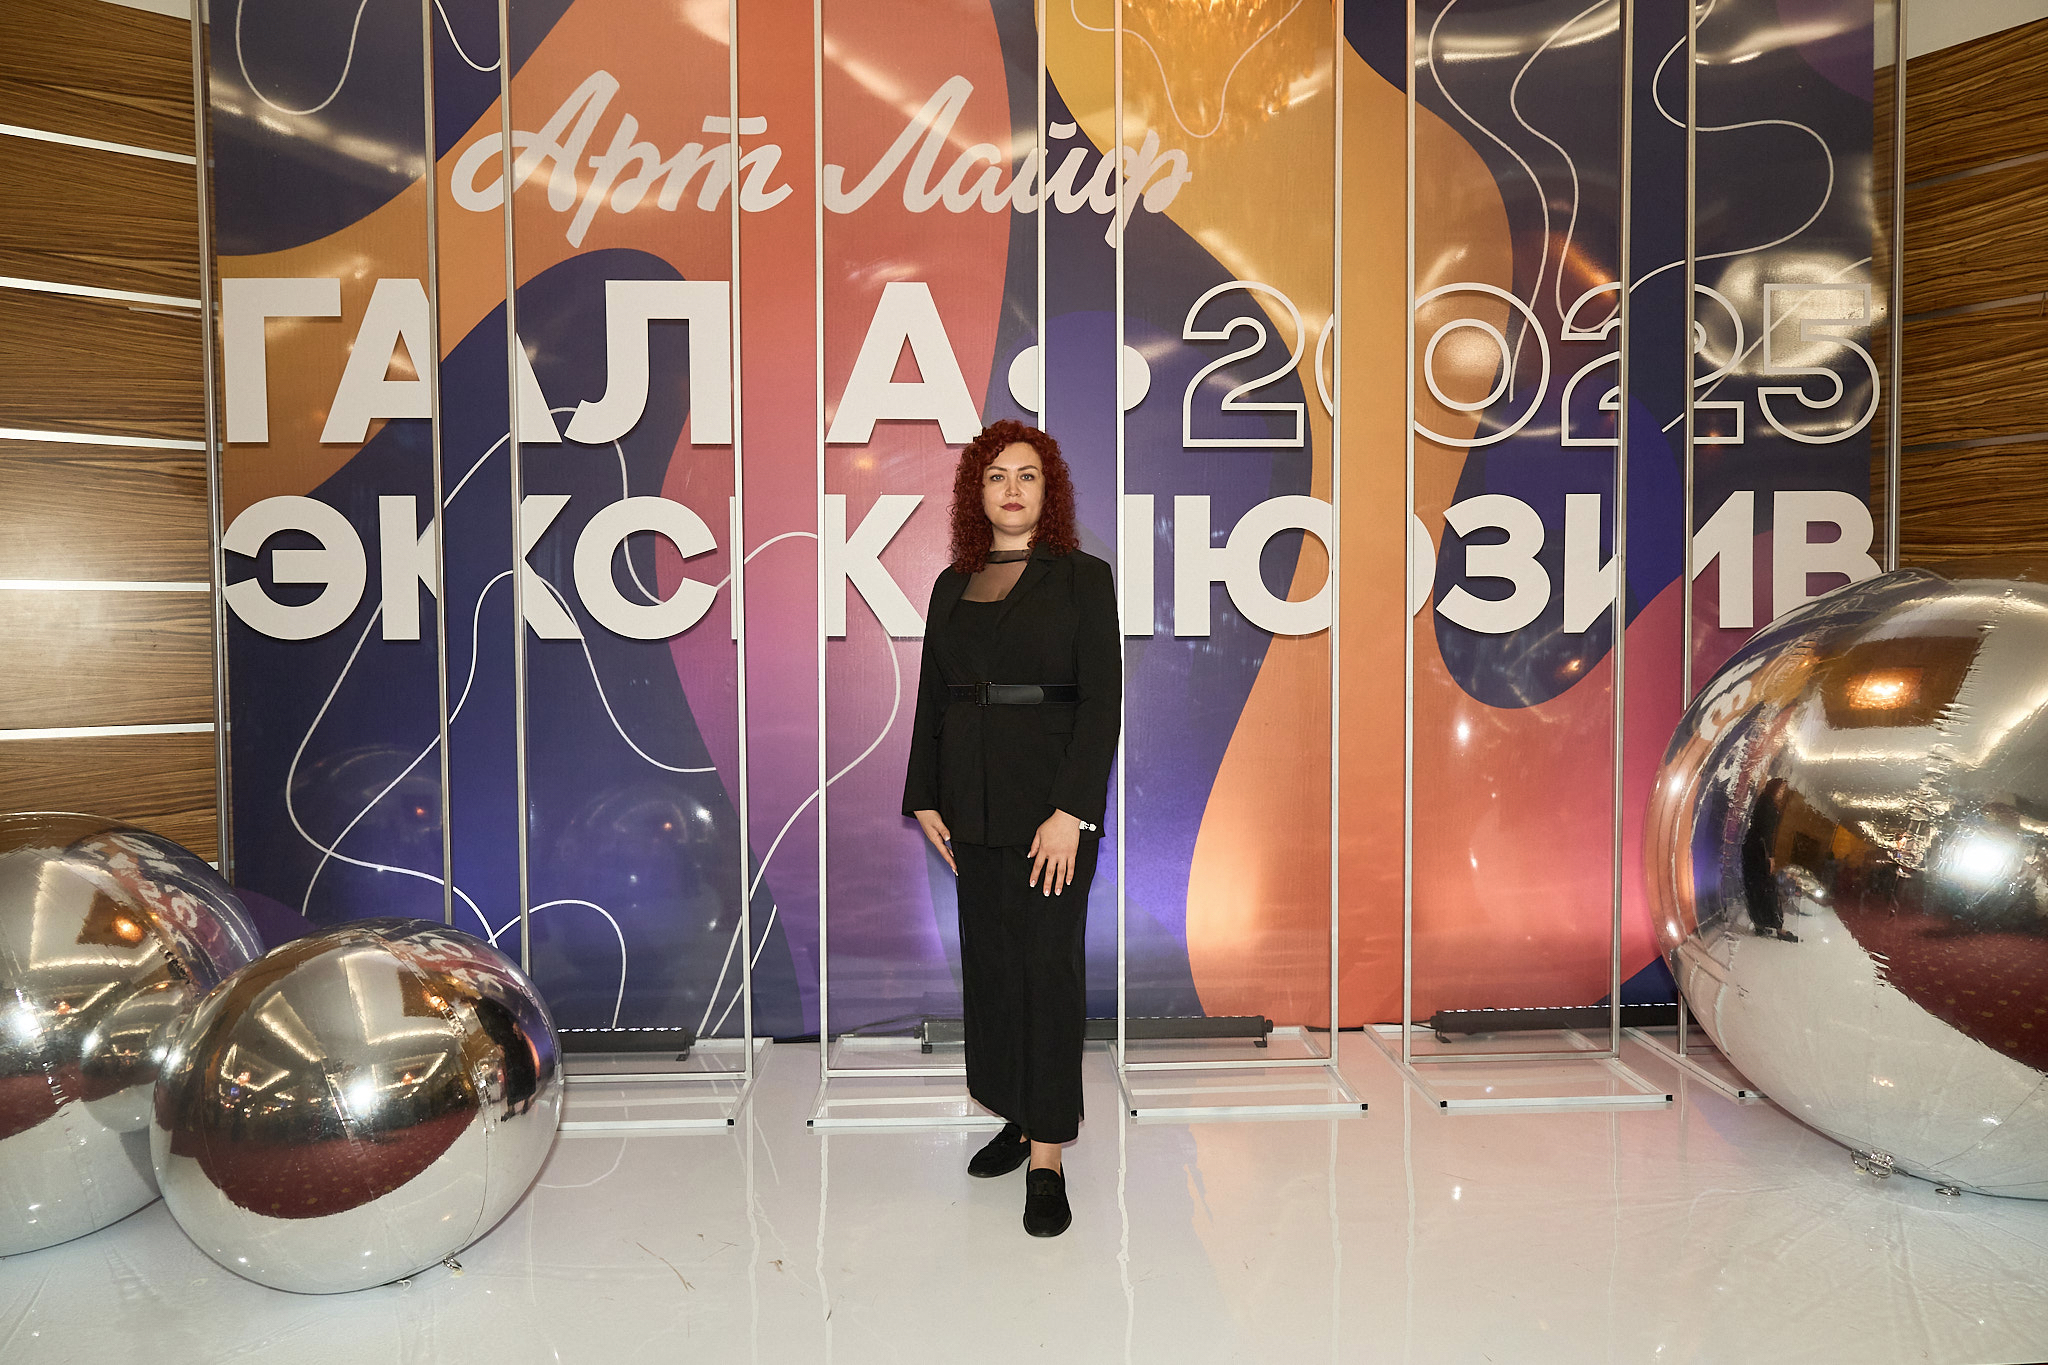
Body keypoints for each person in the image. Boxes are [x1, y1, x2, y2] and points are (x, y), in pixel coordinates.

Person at [901, 419, 1120, 1239]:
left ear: (1048, 489)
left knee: (1046, 969)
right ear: (977, 493)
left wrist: (1073, 812)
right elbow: (934, 694)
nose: (1013, 488)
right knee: (993, 967)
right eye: (996, 476)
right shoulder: (951, 584)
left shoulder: (1083, 578)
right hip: (969, 803)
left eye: (1028, 474)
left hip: (1050, 809)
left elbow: (1102, 702)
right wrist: (925, 793)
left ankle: (1048, 1153)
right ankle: (1018, 1115)